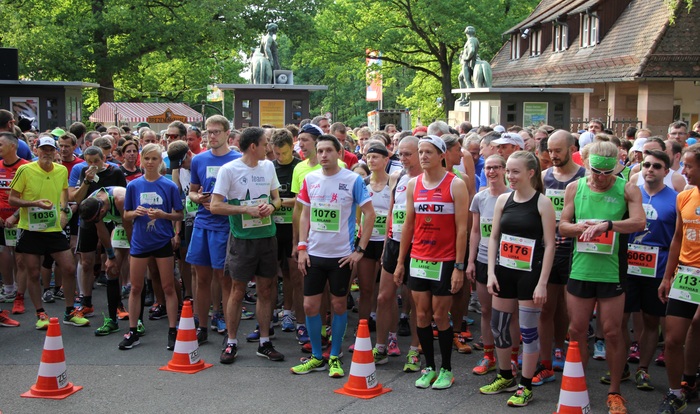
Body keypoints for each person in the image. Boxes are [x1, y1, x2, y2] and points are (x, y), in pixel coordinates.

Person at [559, 141, 646, 414]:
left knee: (611, 332)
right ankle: (578, 385)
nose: (600, 177)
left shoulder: (627, 188)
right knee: (576, 330)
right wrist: (580, 227)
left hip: (611, 271)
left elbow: (639, 222)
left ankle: (615, 391)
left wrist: (607, 225)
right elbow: (562, 225)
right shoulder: (575, 187)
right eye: (596, 171)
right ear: (587, 165)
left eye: (607, 173)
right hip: (580, 269)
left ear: (615, 170)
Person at [291, 134, 375, 378]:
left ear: (339, 152)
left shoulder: (351, 180)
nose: (324, 155)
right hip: (314, 254)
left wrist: (360, 250)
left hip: (341, 256)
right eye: (320, 151)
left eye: (329, 150)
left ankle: (335, 356)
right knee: (310, 306)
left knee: (338, 305)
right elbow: (305, 214)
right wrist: (302, 247)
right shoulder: (311, 179)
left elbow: (369, 214)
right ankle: (317, 356)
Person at [479, 151, 555, 407]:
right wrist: (490, 272)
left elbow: (550, 245)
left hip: (530, 275)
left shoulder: (542, 203)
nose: (509, 176)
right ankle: (505, 376)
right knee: (499, 327)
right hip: (504, 272)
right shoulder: (503, 199)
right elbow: (493, 238)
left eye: (515, 172)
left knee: (527, 331)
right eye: (508, 171)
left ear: (531, 173)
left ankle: (525, 385)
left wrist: (543, 282)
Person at [394, 135, 469, 390]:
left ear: (441, 155)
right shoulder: (414, 184)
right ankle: (429, 367)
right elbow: (408, 225)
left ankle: (446, 368)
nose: (423, 156)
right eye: (421, 152)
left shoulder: (455, 185)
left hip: (445, 260)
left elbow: (462, 229)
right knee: (422, 315)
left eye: (428, 152)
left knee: (440, 315)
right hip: (419, 258)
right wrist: (401, 261)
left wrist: (459, 266)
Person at [211, 127, 284, 363]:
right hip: (242, 241)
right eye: (265, 144)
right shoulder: (229, 170)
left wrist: (272, 207)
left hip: (267, 238)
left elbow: (277, 199)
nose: (269, 148)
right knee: (237, 292)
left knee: (265, 290)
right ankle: (231, 341)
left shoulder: (268, 166)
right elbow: (215, 206)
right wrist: (246, 209)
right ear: (253, 146)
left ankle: (264, 341)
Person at [8, 136, 86, 329]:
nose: (47, 153)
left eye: (50, 149)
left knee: (68, 267)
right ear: (36, 150)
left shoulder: (60, 171)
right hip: (30, 229)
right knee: (33, 272)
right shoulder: (25, 170)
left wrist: (64, 211)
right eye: (43, 149)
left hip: (53, 228)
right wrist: (34, 203)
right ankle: (40, 313)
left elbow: (64, 196)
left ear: (55, 151)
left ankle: (69, 311)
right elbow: (12, 199)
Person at [617, 150, 677, 393]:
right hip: (628, 263)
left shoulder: (675, 199)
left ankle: (643, 368)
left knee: (651, 320)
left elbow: (677, 238)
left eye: (656, 166)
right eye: (646, 165)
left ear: (666, 171)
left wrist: (669, 274)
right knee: (620, 317)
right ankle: (620, 364)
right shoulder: (631, 193)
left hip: (658, 266)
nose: (650, 169)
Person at [532, 130, 587, 386]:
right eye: (549, 151)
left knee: (567, 308)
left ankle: (561, 349)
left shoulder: (584, 178)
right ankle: (544, 363)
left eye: (558, 151)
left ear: (571, 148)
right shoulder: (543, 177)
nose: (552, 156)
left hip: (575, 250)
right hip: (547, 249)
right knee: (545, 307)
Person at [118, 143, 183, 350]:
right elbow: (126, 214)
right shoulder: (134, 186)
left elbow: (180, 214)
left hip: (162, 240)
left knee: (168, 287)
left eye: (154, 158)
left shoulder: (169, 186)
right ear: (141, 160)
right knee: (136, 287)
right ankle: (133, 330)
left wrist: (164, 215)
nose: (150, 162)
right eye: (147, 158)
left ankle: (173, 330)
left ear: (160, 162)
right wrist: (134, 213)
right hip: (140, 242)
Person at [185, 115, 242, 346]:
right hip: (202, 223)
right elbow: (192, 191)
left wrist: (223, 204)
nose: (212, 136)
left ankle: (230, 332)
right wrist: (199, 198)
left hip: (226, 226)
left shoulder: (238, 159)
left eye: (216, 131)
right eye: (209, 132)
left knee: (225, 279)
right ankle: (202, 326)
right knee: (201, 277)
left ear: (228, 133)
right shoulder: (199, 160)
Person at [656, 143, 700, 414]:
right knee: (672, 339)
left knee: (698, 324)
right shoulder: (684, 196)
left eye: (689, 166)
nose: (683, 170)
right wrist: (667, 276)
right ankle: (677, 391)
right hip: (685, 274)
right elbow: (677, 238)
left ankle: (691, 379)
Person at [376, 136, 423, 372]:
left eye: (408, 154)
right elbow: (392, 211)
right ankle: (381, 346)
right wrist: (386, 243)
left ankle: (415, 350)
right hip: (394, 243)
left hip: (419, 246)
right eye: (400, 154)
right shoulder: (397, 177)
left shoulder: (429, 179)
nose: (403, 159)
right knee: (384, 297)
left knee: (416, 302)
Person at [467, 155, 515, 376]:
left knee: (509, 314)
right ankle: (489, 356)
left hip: (507, 262)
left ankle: (512, 357)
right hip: (484, 260)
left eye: (496, 167)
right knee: (486, 311)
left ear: (505, 170)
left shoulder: (513, 196)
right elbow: (476, 231)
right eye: (488, 168)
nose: (492, 171)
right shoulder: (479, 197)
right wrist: (470, 261)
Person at [70, 146, 127, 318]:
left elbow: (125, 196)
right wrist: (86, 181)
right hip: (89, 215)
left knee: (115, 261)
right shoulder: (83, 172)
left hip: (110, 216)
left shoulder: (115, 172)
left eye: (96, 161)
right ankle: (85, 301)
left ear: (104, 158)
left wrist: (110, 254)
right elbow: (77, 199)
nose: (93, 165)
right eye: (89, 161)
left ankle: (117, 303)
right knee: (86, 261)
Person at [78, 186, 134, 336]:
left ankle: (138, 320)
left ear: (102, 212)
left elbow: (129, 227)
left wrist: (135, 252)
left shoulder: (120, 199)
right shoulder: (92, 203)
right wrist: (110, 257)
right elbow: (101, 231)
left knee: (139, 268)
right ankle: (112, 320)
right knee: (112, 270)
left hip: (135, 222)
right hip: (120, 225)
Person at [354, 140, 391, 354]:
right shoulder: (363, 184)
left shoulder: (393, 184)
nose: (371, 160)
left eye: (376, 156)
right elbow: (359, 215)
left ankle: (388, 338)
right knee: (366, 290)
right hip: (367, 242)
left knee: (385, 294)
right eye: (368, 157)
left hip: (386, 243)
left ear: (386, 160)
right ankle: (363, 334)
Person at [270, 128, 304, 337]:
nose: (280, 157)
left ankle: (290, 312)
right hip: (272, 226)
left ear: (292, 147)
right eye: (276, 153)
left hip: (292, 226)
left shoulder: (299, 167)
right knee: (270, 273)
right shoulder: (269, 167)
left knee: (292, 273)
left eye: (284, 153)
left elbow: (301, 199)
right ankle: (272, 311)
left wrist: (278, 202)